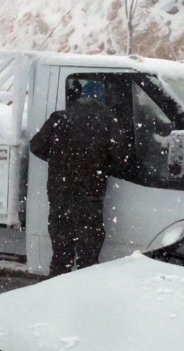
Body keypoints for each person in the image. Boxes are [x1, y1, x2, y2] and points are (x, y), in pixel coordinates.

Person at [30, 76, 132, 274]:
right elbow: (122, 157)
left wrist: (58, 162)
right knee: (89, 250)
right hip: (89, 193)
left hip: (60, 193)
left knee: (61, 248)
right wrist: (102, 166)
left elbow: (36, 145)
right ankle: (84, 289)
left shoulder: (59, 118)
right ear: (102, 100)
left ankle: (56, 289)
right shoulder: (108, 121)